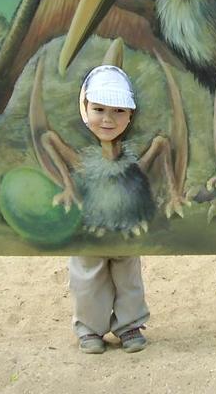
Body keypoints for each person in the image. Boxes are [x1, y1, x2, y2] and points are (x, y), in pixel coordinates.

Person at [67, 65, 150, 354]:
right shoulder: (77, 148)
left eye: (118, 111)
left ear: (131, 115)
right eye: (99, 109)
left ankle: (130, 325)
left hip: (125, 219)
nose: (107, 119)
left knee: (128, 272)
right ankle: (89, 328)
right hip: (90, 221)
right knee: (87, 274)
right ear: (85, 107)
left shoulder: (134, 149)